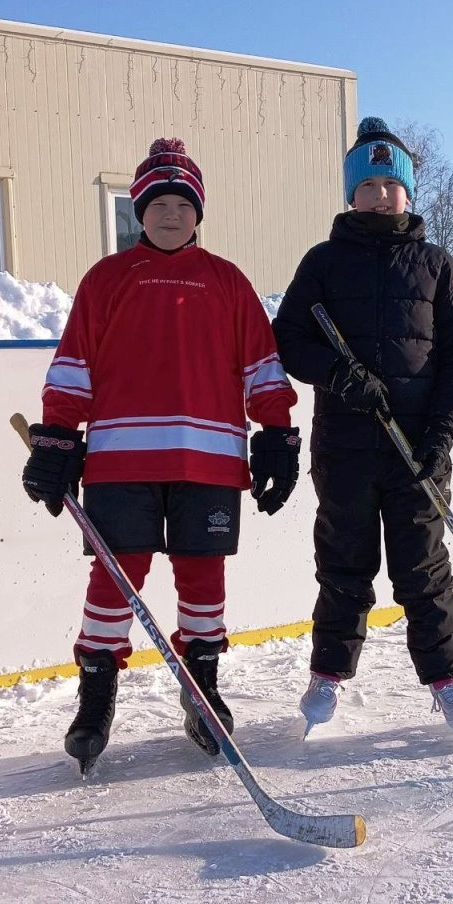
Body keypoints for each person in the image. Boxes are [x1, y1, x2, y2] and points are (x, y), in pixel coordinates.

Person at [22, 137, 300, 766]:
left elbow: (261, 365)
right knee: (114, 577)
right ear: (139, 212)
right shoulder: (107, 278)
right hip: (121, 461)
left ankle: (202, 687)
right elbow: (73, 366)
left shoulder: (227, 280)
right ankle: (97, 695)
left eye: (182, 205)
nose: (170, 215)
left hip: (209, 462)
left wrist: (277, 434)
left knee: (204, 576)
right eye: (158, 205)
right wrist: (59, 435)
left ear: (198, 213)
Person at [272, 117, 453, 739]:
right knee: (343, 565)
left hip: (417, 448)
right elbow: (289, 339)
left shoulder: (437, 266)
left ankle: (448, 679)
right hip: (345, 449)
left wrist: (442, 432)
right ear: (351, 195)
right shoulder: (323, 263)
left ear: (408, 193)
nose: (381, 194)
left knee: (424, 569)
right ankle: (328, 676)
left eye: (392, 185)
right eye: (368, 185)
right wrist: (340, 375)